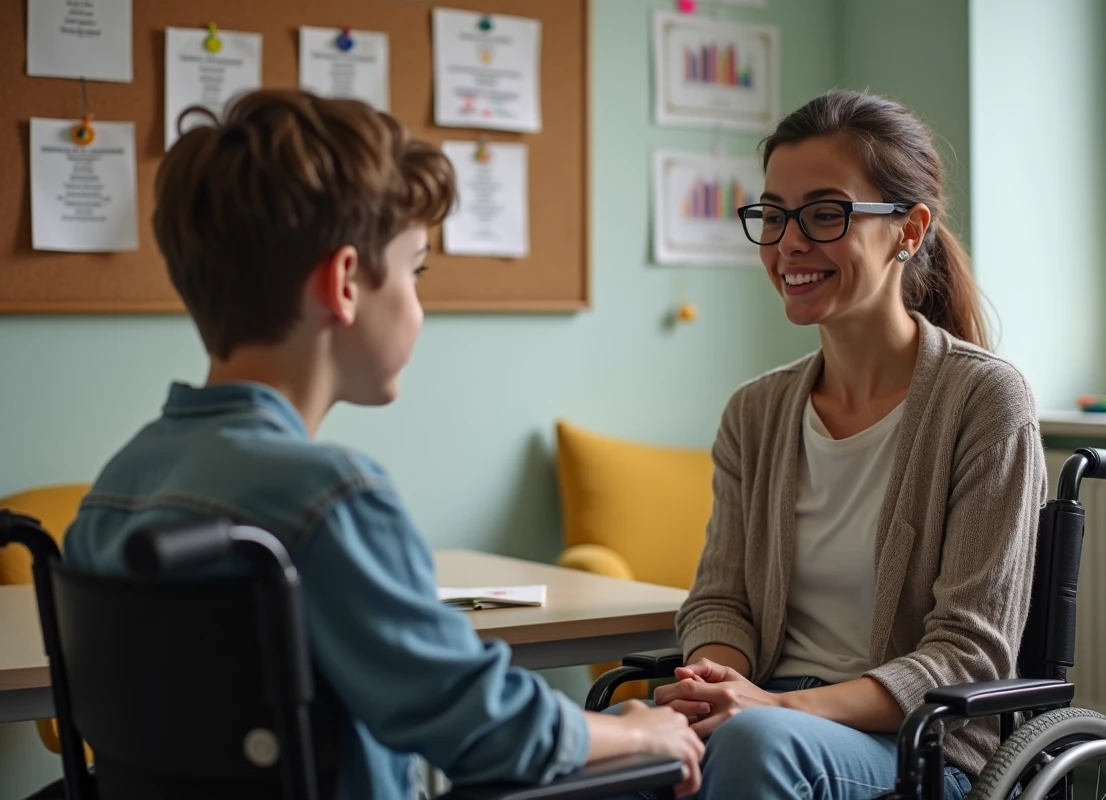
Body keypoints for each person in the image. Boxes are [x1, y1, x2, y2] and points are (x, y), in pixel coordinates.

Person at [62, 89, 704, 800]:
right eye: (415, 269)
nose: (419, 303)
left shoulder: (118, 485)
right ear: (344, 282)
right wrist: (638, 729)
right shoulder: (331, 497)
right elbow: (488, 730)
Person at [644, 89, 1048, 799]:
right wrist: (714, 684)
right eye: (772, 215)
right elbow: (720, 602)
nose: (789, 242)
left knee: (751, 744)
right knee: (601, 746)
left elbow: (966, 656)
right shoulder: (755, 412)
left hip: (924, 744)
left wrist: (773, 708)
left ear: (909, 230)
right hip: (764, 712)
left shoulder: (984, 402)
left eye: (824, 214)